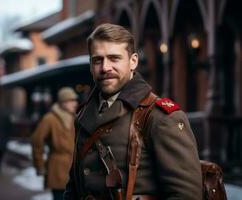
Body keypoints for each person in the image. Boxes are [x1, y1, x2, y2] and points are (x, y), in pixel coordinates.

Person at [64, 23, 202, 200]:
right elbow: (74, 186)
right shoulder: (84, 114)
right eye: (98, 60)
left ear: (133, 61)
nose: (105, 67)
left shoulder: (159, 116)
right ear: (91, 65)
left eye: (114, 58)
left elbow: (186, 195)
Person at [31, 87, 78, 200]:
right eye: (70, 101)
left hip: (74, 167)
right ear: (62, 102)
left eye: (74, 100)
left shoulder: (75, 117)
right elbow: (36, 140)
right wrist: (40, 164)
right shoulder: (50, 118)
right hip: (57, 167)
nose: (74, 103)